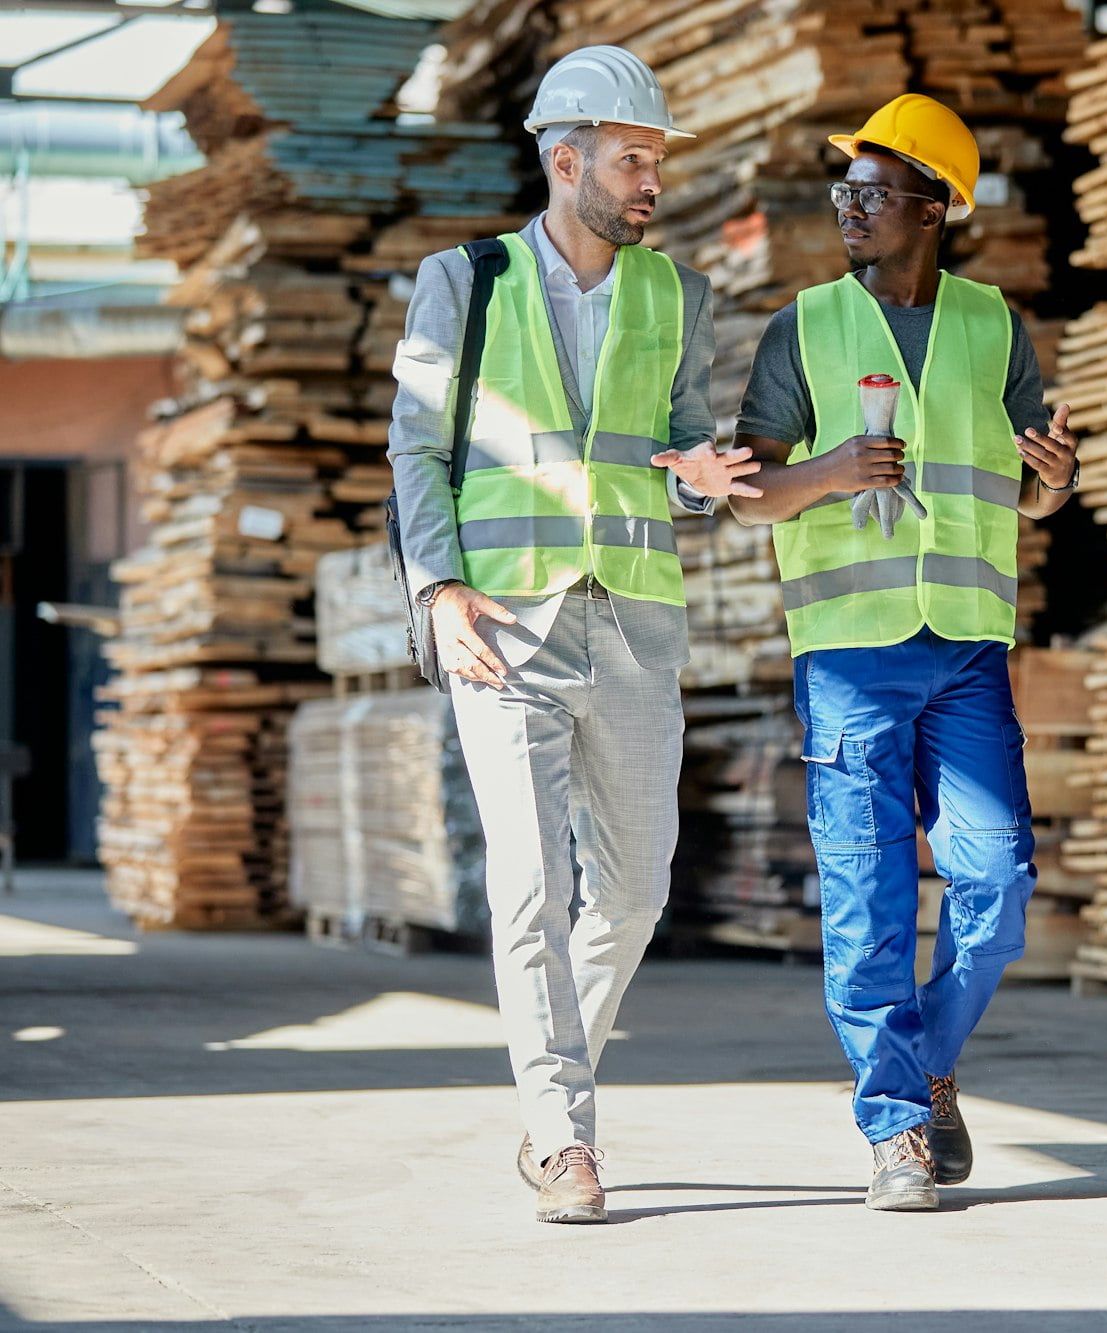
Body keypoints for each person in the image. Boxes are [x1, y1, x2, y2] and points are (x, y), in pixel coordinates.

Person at [386, 45, 761, 1225]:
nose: (652, 179)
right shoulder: (467, 281)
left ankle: (553, 1099)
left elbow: (683, 454)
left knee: (637, 891)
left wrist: (700, 482)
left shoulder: (676, 293)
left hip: (636, 625)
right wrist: (437, 591)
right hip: (504, 624)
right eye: (633, 158)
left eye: (654, 159)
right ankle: (563, 1136)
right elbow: (417, 448)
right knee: (530, 883)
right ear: (566, 159)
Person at [728, 93, 1081, 1211]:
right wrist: (826, 473)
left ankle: (925, 1065)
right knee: (868, 896)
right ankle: (893, 1129)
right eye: (845, 192)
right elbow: (744, 493)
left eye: (874, 194)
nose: (851, 210)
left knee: (997, 880)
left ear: (937, 209)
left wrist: (1055, 487)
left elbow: (1025, 487)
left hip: (966, 647)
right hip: (848, 655)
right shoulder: (805, 325)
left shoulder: (991, 328)